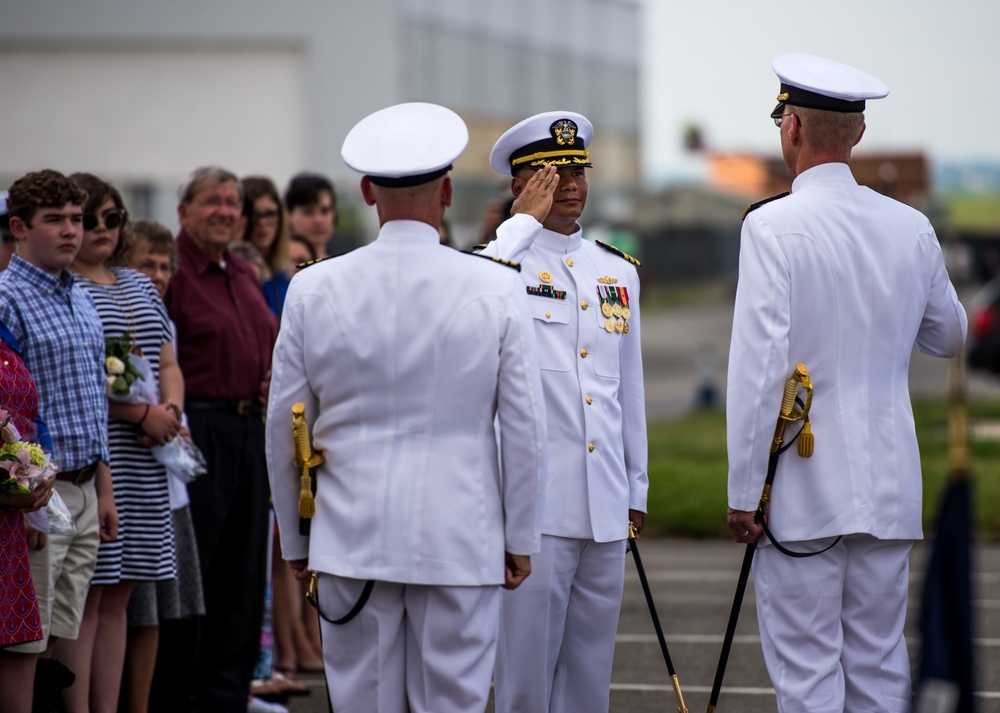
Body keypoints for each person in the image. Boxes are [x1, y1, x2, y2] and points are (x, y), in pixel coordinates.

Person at [266, 101, 547, 713]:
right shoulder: (496, 284)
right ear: (447, 191)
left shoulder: (313, 286)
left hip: (349, 537)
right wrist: (520, 533)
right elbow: (525, 426)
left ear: (366, 192)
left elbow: (285, 427)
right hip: (461, 536)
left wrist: (295, 538)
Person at [725, 53, 968, 713]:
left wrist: (745, 489)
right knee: (880, 670)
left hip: (803, 491)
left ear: (792, 129)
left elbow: (756, 372)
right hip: (888, 487)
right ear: (858, 134)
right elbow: (951, 335)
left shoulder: (770, 226)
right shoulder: (910, 227)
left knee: (808, 676)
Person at [479, 112, 649, 713]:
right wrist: (517, 226)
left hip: (604, 505)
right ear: (521, 186)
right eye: (551, 174)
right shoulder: (499, 266)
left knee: (587, 681)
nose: (570, 183)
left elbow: (627, 391)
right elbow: (477, 295)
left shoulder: (616, 270)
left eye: (578, 169)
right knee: (525, 682)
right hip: (536, 511)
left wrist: (636, 488)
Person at [63, 174, 182, 713]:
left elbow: (168, 360)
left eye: (112, 218)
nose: (103, 229)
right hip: (104, 450)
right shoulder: (68, 287)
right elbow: (73, 380)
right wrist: (141, 413)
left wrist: (170, 412)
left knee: (123, 593)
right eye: (90, 219)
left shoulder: (135, 283)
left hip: (149, 456)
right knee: (88, 595)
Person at [165, 166, 278, 713]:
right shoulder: (174, 275)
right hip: (198, 430)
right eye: (213, 201)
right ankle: (185, 693)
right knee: (200, 570)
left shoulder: (242, 273)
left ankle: (228, 696)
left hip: (249, 428)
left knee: (243, 571)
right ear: (184, 211)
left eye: (233, 203)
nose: (226, 212)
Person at [0, 170, 113, 707]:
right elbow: (10, 411)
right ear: (19, 227)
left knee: (65, 634)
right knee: (26, 640)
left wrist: (104, 489)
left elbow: (94, 395)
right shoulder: (7, 298)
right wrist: (28, 502)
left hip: (84, 485)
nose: (71, 230)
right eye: (55, 220)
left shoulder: (82, 295)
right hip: (40, 494)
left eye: (77, 219)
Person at [119, 219, 207, 713]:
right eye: (145, 264)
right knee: (124, 608)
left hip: (165, 470)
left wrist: (174, 415)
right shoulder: (112, 309)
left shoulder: (159, 315)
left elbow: (169, 374)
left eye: (163, 266)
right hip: (129, 468)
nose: (157, 274)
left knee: (155, 611)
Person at [0, 319, 56, 713]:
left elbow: (30, 415)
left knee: (18, 654)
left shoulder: (3, 329)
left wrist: (38, 470)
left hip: (7, 526)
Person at [240, 176, 292, 316]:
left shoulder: (282, 272)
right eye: (255, 215)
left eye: (270, 214)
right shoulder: (235, 271)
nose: (262, 223)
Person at [283, 173, 336, 260]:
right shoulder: (272, 271)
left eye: (325, 211)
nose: (318, 220)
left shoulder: (343, 270)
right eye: (308, 212)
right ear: (288, 214)